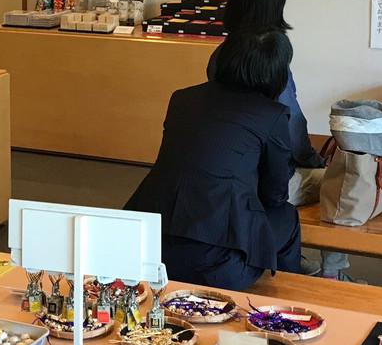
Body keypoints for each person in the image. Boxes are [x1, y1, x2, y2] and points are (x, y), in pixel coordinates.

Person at [206, 0, 360, 282]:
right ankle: (332, 271)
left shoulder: (219, 56)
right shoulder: (273, 58)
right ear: (277, 5)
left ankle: (289, 252)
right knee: (342, 183)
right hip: (259, 184)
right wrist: (316, 161)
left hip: (218, 180)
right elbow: (291, 131)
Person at [124, 28, 301, 291]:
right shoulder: (271, 115)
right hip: (218, 268)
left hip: (144, 253)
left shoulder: (183, 98)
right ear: (277, 72)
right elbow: (275, 195)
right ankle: (291, 298)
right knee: (286, 216)